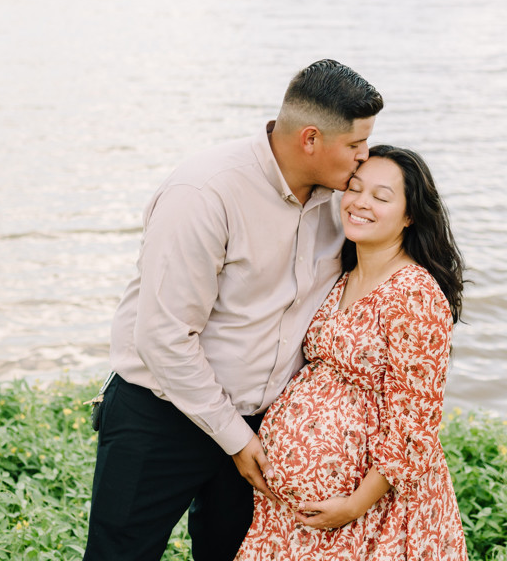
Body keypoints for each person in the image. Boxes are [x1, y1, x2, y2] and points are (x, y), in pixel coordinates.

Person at [83, 60, 383, 561]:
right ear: (310, 139)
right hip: (161, 414)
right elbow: (163, 337)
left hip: (266, 427)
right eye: (355, 145)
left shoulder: (344, 202)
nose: (364, 157)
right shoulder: (204, 193)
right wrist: (234, 438)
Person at [234, 145, 466, 561]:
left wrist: (356, 504)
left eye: (380, 196)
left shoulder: (414, 293)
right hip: (292, 516)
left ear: (410, 214)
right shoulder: (341, 275)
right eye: (354, 189)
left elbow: (415, 424)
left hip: (372, 513)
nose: (360, 203)